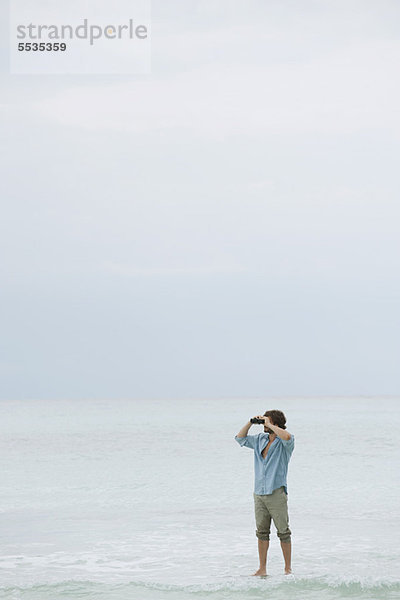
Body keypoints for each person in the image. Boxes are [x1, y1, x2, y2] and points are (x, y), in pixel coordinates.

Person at [235, 410, 294, 576]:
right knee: (261, 532)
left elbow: (288, 437)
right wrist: (250, 422)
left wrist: (270, 425)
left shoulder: (284, 442)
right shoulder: (260, 439)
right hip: (259, 493)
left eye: (267, 421)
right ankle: (262, 568)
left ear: (275, 423)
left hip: (276, 492)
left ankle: (287, 569)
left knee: (283, 532)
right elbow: (240, 438)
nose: (264, 425)